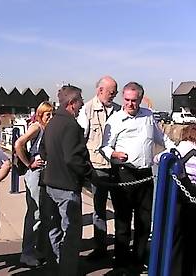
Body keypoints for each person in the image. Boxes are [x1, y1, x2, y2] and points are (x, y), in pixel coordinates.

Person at [101, 81, 175, 274]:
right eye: (126, 100)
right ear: (122, 99)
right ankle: (121, 263)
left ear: (141, 99)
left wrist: (176, 151)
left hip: (145, 175)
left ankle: (139, 260)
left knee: (143, 221)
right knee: (123, 222)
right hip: (124, 174)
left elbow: (161, 138)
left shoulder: (149, 116)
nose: (130, 104)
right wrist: (113, 154)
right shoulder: (115, 120)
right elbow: (105, 146)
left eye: (134, 100)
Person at [42, 85, 96, 275]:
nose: (82, 104)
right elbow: (73, 159)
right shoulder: (71, 126)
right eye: (80, 100)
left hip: (50, 185)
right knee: (71, 233)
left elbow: (43, 151)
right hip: (67, 186)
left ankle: (56, 265)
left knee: (54, 230)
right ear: (72, 103)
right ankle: (68, 270)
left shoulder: (52, 123)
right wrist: (90, 174)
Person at [77, 75, 120, 259]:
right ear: (100, 90)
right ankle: (100, 248)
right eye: (111, 92)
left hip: (118, 166)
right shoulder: (87, 110)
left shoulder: (119, 110)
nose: (113, 96)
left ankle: (121, 248)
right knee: (100, 209)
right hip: (98, 167)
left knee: (121, 208)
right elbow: (80, 139)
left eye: (115, 93)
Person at [14, 101, 53, 267]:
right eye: (47, 115)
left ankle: (40, 249)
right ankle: (27, 252)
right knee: (35, 213)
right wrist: (29, 162)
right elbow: (19, 143)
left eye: (52, 114)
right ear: (40, 115)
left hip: (45, 172)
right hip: (35, 173)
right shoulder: (37, 127)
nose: (50, 118)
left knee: (44, 213)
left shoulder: (47, 128)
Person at [154, 124, 196, 276]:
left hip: (178, 199)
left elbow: (157, 158)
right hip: (191, 198)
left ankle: (173, 270)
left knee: (177, 238)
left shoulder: (178, 149)